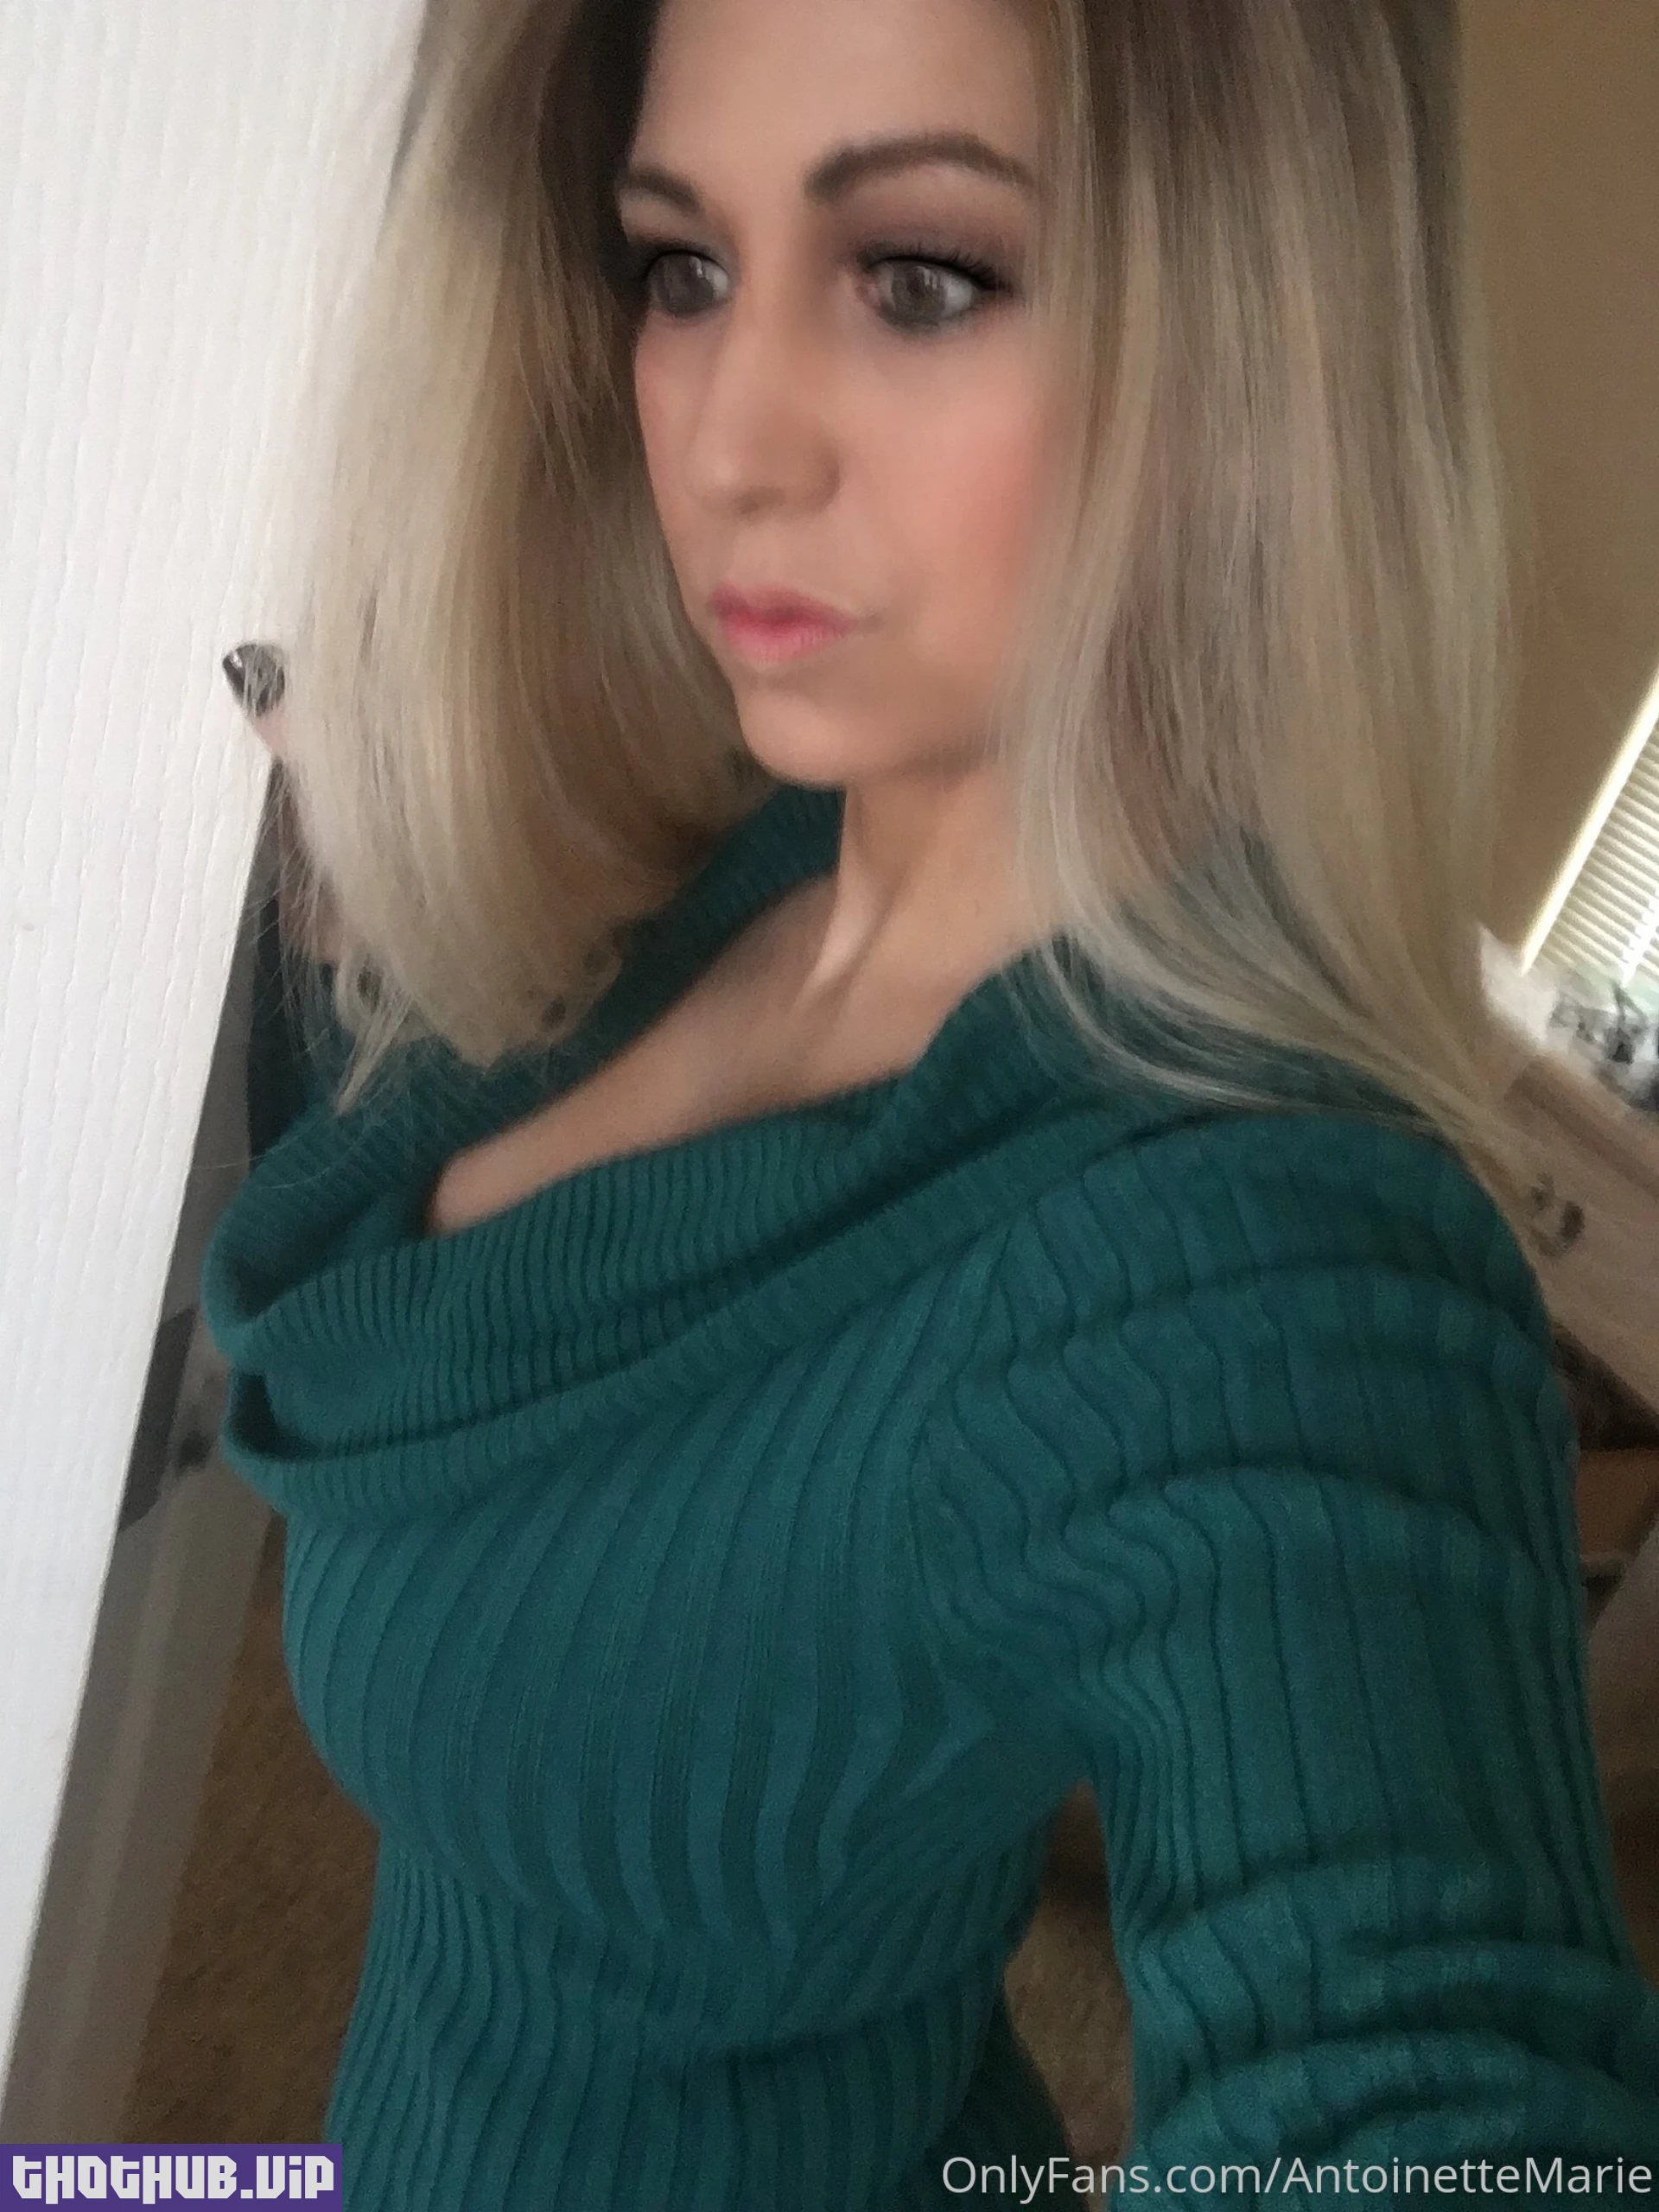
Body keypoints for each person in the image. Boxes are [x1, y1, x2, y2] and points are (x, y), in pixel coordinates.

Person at [202, 0, 1659, 2205]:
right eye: (684, 267)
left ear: (1261, 342)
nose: (729, 441)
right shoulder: (730, 850)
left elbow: (1432, 2090)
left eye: (921, 275)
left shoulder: (1251, 1255)